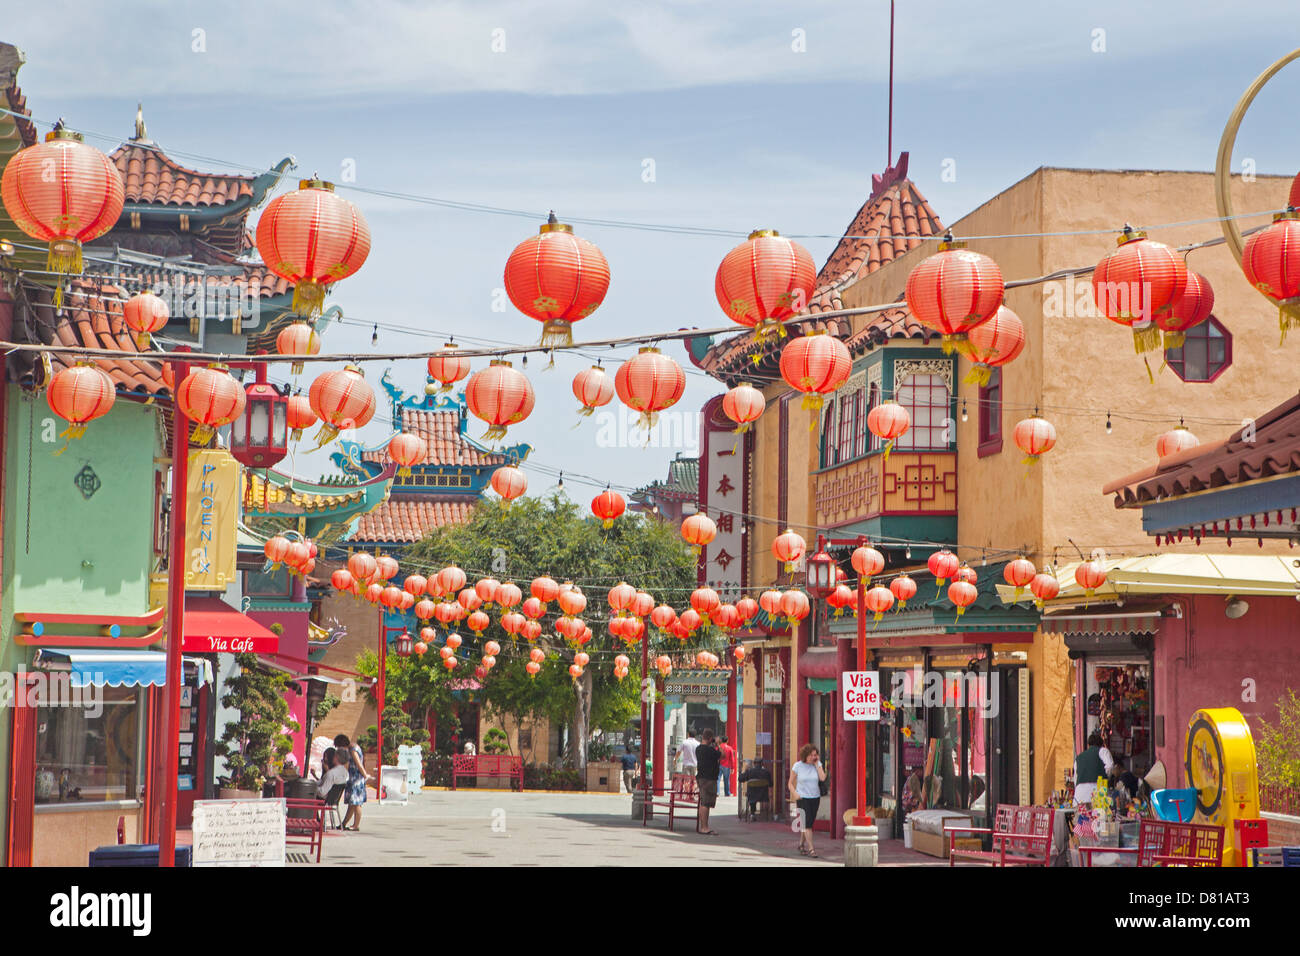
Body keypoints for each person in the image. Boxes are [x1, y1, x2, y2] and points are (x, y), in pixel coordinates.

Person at [788, 744, 827, 857]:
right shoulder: (798, 766)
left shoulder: (817, 765)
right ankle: (811, 849)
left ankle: (801, 844)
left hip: (815, 797)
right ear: (806, 755)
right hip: (802, 798)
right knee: (807, 824)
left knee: (808, 823)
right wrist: (795, 793)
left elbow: (823, 778)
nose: (814, 757)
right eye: (811, 755)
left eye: (815, 755)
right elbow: (790, 783)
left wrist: (817, 764)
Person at [336, 734, 371, 832]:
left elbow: (358, 763)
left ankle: (356, 825)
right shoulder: (353, 747)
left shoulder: (352, 749)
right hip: (353, 778)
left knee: (356, 803)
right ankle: (343, 824)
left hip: (356, 779)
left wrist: (365, 775)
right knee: (352, 804)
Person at [1073, 731, 1115, 805]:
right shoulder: (1102, 751)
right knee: (1099, 815)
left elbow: (1076, 777)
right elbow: (1110, 765)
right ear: (1101, 744)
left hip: (1080, 795)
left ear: (1088, 745)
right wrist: (1105, 777)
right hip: (1097, 792)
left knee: (1082, 815)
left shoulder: (1079, 757)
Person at [694, 729, 723, 835]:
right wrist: (718, 744)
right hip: (709, 779)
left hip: (701, 777)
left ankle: (703, 826)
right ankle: (704, 827)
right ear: (711, 738)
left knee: (703, 802)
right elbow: (722, 755)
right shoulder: (710, 750)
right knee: (706, 803)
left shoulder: (698, 749)